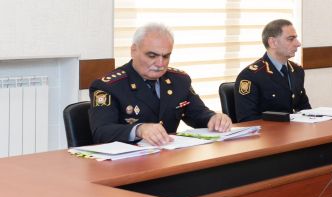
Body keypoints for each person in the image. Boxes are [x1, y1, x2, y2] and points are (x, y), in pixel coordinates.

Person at [88, 23, 231, 145]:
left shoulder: (179, 80)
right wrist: (139, 130)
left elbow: (197, 113)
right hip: (128, 163)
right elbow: (101, 132)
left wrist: (214, 118)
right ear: (133, 50)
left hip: (168, 157)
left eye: (166, 56)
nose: (160, 64)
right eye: (152, 56)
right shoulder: (109, 86)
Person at [235, 19, 309, 122]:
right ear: (273, 42)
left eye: (296, 38)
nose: (298, 43)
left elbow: (305, 109)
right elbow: (247, 120)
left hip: (296, 129)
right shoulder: (251, 76)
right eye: (291, 39)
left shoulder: (297, 71)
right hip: (269, 132)